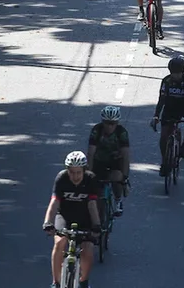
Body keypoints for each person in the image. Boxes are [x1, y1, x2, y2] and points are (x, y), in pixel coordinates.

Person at [42, 151, 101, 288]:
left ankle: (83, 281)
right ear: (67, 170)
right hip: (64, 215)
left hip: (85, 217)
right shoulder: (61, 178)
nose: (75, 176)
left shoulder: (90, 179)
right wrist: (48, 222)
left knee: (87, 248)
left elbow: (92, 205)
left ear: (84, 171)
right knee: (60, 242)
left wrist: (96, 225)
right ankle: (56, 282)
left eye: (78, 172)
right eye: (72, 172)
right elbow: (54, 202)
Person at [152, 57, 184, 175]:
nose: (175, 75)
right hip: (170, 108)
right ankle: (164, 162)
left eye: (178, 73)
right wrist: (156, 116)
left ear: (182, 72)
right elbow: (161, 100)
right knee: (163, 137)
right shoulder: (166, 81)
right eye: (173, 73)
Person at [86, 105, 131, 216]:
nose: (110, 126)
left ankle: (117, 200)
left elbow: (126, 155)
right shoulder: (97, 130)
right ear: (102, 122)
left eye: (113, 124)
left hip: (115, 161)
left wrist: (125, 178)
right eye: (107, 123)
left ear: (117, 123)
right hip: (99, 161)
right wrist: (88, 173)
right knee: (95, 190)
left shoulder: (122, 132)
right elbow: (91, 152)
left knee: (117, 177)